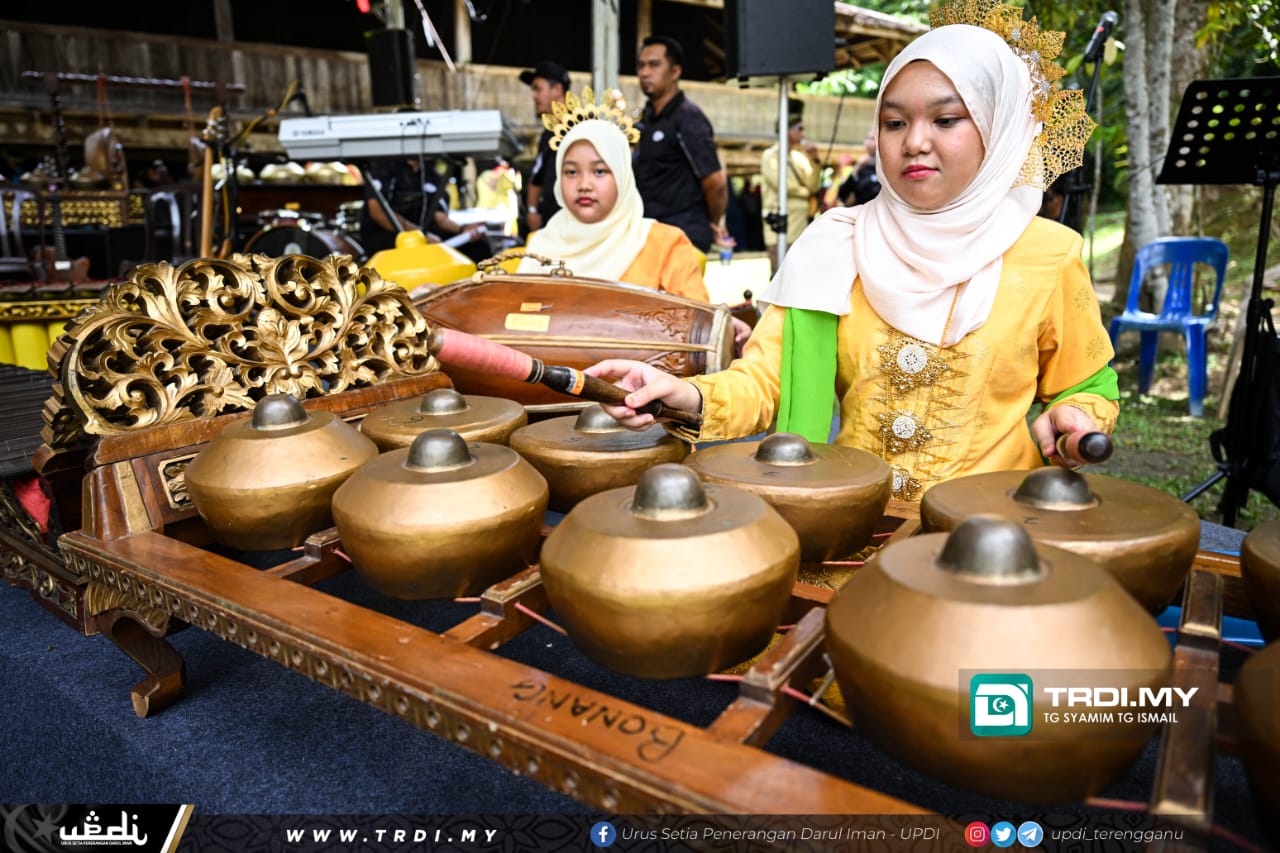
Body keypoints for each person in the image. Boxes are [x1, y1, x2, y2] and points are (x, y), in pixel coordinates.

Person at [586, 2, 1117, 502]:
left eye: (946, 119)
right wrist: (688, 395)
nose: (914, 142)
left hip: (993, 539)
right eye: (894, 122)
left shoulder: (1049, 253)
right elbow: (766, 379)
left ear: (997, 130)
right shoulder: (834, 243)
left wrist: (1077, 414)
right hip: (852, 525)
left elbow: (1084, 383)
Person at [517, 88, 709, 303]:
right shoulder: (541, 246)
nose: (584, 185)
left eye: (599, 171)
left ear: (622, 176)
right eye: (571, 172)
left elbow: (698, 325)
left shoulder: (664, 244)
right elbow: (515, 320)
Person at [632, 35, 728, 253]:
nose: (645, 72)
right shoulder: (644, 119)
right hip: (649, 233)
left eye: (654, 65)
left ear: (675, 72)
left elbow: (716, 182)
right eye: (641, 65)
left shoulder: (688, 117)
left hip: (683, 235)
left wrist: (711, 222)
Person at [359, 157, 487, 259]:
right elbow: (377, 213)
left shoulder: (431, 174)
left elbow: (440, 217)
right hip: (389, 237)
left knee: (479, 248)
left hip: (425, 236)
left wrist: (463, 230)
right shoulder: (384, 167)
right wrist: (420, 235)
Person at [760, 98, 822, 272]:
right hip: (778, 221)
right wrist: (806, 193)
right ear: (787, 130)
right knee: (777, 270)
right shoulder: (770, 156)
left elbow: (814, 186)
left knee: (795, 271)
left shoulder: (800, 158)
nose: (803, 134)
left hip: (799, 221)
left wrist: (815, 161)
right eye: (799, 129)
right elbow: (782, 186)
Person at [520, 60, 571, 233]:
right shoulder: (548, 133)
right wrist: (533, 211)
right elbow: (537, 176)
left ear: (557, 89)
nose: (534, 96)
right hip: (550, 225)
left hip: (573, 225)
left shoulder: (581, 127)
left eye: (537, 88)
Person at [838, 125, 881, 206]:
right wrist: (857, 168)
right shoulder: (862, 165)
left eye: (872, 139)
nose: (868, 142)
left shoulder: (885, 168)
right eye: (867, 138)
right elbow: (842, 195)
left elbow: (872, 194)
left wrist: (855, 197)